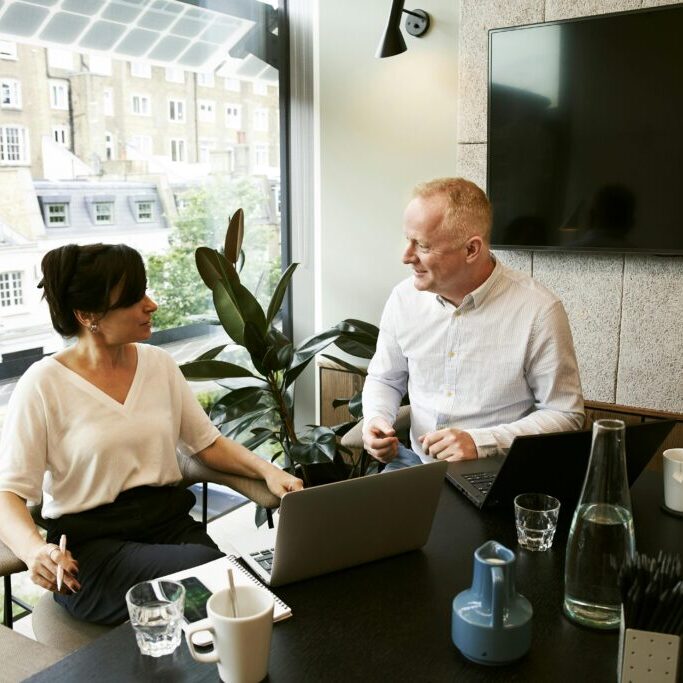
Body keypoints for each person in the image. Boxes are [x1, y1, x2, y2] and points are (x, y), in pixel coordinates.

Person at [0, 243, 302, 625]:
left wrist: (269, 471)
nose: (151, 304)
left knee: (238, 604)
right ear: (88, 314)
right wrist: (33, 552)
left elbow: (205, 444)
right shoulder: (43, 384)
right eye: (134, 297)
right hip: (95, 553)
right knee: (217, 582)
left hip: (172, 529)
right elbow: (8, 494)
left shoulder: (159, 365)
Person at [362, 178, 584, 470]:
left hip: (497, 471)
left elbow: (565, 414)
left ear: (471, 250)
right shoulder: (403, 299)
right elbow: (385, 378)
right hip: (413, 464)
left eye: (423, 246)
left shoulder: (539, 311)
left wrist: (481, 442)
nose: (406, 256)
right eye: (408, 240)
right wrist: (377, 419)